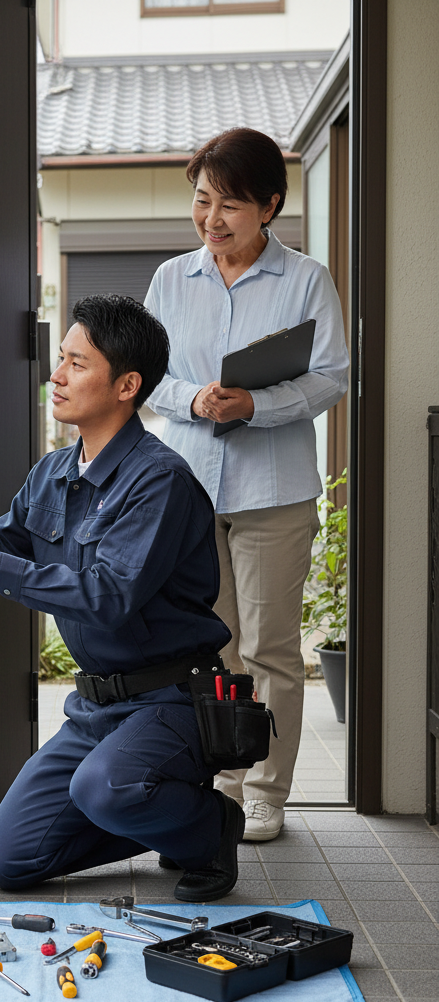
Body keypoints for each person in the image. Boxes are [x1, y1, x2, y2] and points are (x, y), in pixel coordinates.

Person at [0, 293, 242, 903]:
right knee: (9, 860)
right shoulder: (52, 472)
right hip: (96, 707)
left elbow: (109, 598)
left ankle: (210, 829)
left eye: (77, 364)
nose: (56, 375)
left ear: (127, 384)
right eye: (60, 359)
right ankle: (148, 814)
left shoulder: (160, 481)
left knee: (107, 788)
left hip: (172, 700)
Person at [145, 127, 349, 842]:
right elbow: (147, 378)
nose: (212, 219)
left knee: (269, 649)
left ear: (268, 205)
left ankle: (265, 791)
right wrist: (193, 399)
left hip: (275, 492)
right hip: (193, 489)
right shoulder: (172, 279)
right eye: (203, 201)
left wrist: (257, 405)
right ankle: (222, 781)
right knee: (213, 646)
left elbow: (331, 376)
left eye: (230, 204)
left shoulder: (306, 279)